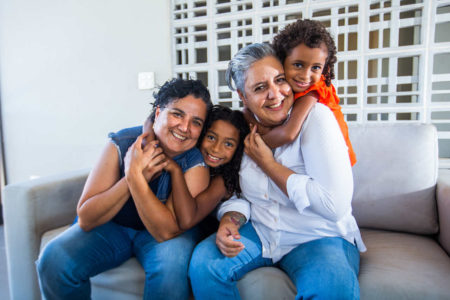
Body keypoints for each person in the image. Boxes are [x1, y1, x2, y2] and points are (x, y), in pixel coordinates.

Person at [188, 43, 366, 300]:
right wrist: (231, 218)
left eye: (280, 80)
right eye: (260, 88)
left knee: (332, 290)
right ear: (242, 95)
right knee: (205, 264)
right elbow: (239, 192)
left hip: (318, 237)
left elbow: (334, 206)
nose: (275, 94)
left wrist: (269, 166)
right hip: (261, 232)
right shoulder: (241, 128)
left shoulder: (316, 118)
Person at [36, 78, 212, 300]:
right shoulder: (121, 143)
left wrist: (135, 175)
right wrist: (131, 176)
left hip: (164, 235)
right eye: (177, 114)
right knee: (55, 258)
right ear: (157, 113)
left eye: (196, 122)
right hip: (114, 228)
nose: (185, 128)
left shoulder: (195, 163)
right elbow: (86, 218)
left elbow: (165, 232)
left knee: (170, 269)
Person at [245, 19, 356, 166]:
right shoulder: (286, 89)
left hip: (335, 161)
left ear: (325, 67)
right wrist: (247, 113)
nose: (305, 76)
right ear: (282, 60)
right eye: (298, 65)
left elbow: (288, 134)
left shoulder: (312, 91)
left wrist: (255, 144)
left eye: (315, 67)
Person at [163, 105, 249, 234]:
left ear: (237, 150)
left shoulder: (223, 181)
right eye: (211, 137)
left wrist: (176, 172)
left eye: (228, 144)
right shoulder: (191, 157)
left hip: (203, 230)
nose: (216, 149)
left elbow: (187, 220)